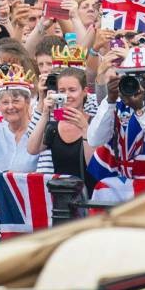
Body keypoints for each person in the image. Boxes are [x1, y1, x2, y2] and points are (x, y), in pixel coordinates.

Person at [87, 46, 145, 202]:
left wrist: (140, 110)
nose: (135, 81)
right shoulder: (117, 98)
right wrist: (110, 101)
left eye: (142, 76)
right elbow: (94, 140)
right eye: (129, 76)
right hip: (120, 181)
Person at [27, 67, 96, 195]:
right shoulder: (53, 127)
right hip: (61, 199)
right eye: (62, 91)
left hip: (89, 198)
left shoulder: (94, 122)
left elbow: (94, 165)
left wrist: (85, 128)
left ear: (85, 92)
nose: (67, 95)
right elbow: (32, 149)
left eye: (72, 90)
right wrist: (45, 113)